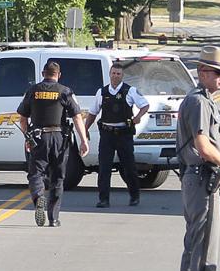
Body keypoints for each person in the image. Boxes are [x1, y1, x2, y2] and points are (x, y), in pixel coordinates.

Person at [176, 47, 220, 271]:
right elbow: (202, 145)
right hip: (202, 179)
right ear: (202, 72)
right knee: (200, 249)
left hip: (204, 180)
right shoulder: (199, 102)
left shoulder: (207, 100)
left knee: (203, 248)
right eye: (218, 73)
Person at [16, 60, 89, 228]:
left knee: (36, 174)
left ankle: (38, 197)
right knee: (57, 177)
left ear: (43, 74)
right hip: (60, 139)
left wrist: (27, 137)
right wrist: (83, 140)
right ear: (59, 75)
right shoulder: (65, 91)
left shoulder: (33, 91)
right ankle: (53, 218)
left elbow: (23, 117)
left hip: (39, 138)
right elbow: (77, 117)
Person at [90, 61, 149, 208]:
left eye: (118, 74)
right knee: (104, 168)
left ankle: (134, 196)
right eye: (113, 73)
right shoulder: (102, 92)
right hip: (107, 135)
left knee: (129, 167)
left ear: (122, 76)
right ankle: (104, 199)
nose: (116, 76)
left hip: (124, 134)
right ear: (109, 74)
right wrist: (84, 130)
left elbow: (145, 105)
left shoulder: (130, 91)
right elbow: (93, 113)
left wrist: (138, 117)